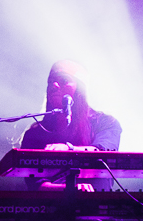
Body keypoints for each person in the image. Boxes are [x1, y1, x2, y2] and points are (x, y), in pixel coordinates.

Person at [20, 60, 122, 191]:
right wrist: (69, 190)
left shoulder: (105, 123)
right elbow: (36, 184)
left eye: (63, 80)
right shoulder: (34, 134)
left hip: (96, 207)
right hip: (51, 208)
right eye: (50, 81)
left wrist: (68, 149)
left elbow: (105, 151)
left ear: (80, 88)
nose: (54, 85)